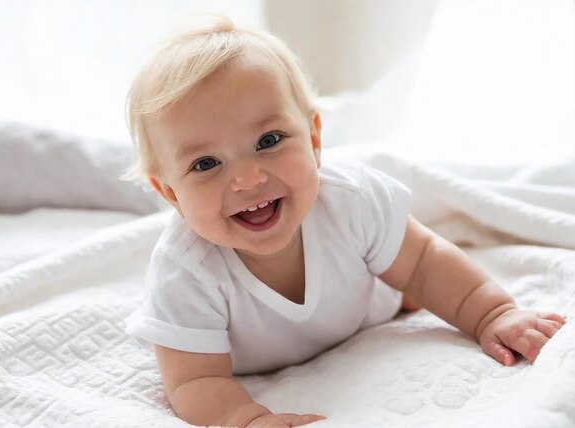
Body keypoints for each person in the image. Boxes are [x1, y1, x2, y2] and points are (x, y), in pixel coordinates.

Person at [124, 14, 566, 428]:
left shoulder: (350, 199)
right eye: (205, 164)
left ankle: (389, 278)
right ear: (169, 194)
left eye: (269, 140)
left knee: (412, 274)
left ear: (315, 139)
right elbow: (194, 381)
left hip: (361, 302)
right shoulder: (184, 274)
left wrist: (493, 315)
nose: (247, 179)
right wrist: (249, 419)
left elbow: (425, 263)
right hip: (255, 349)